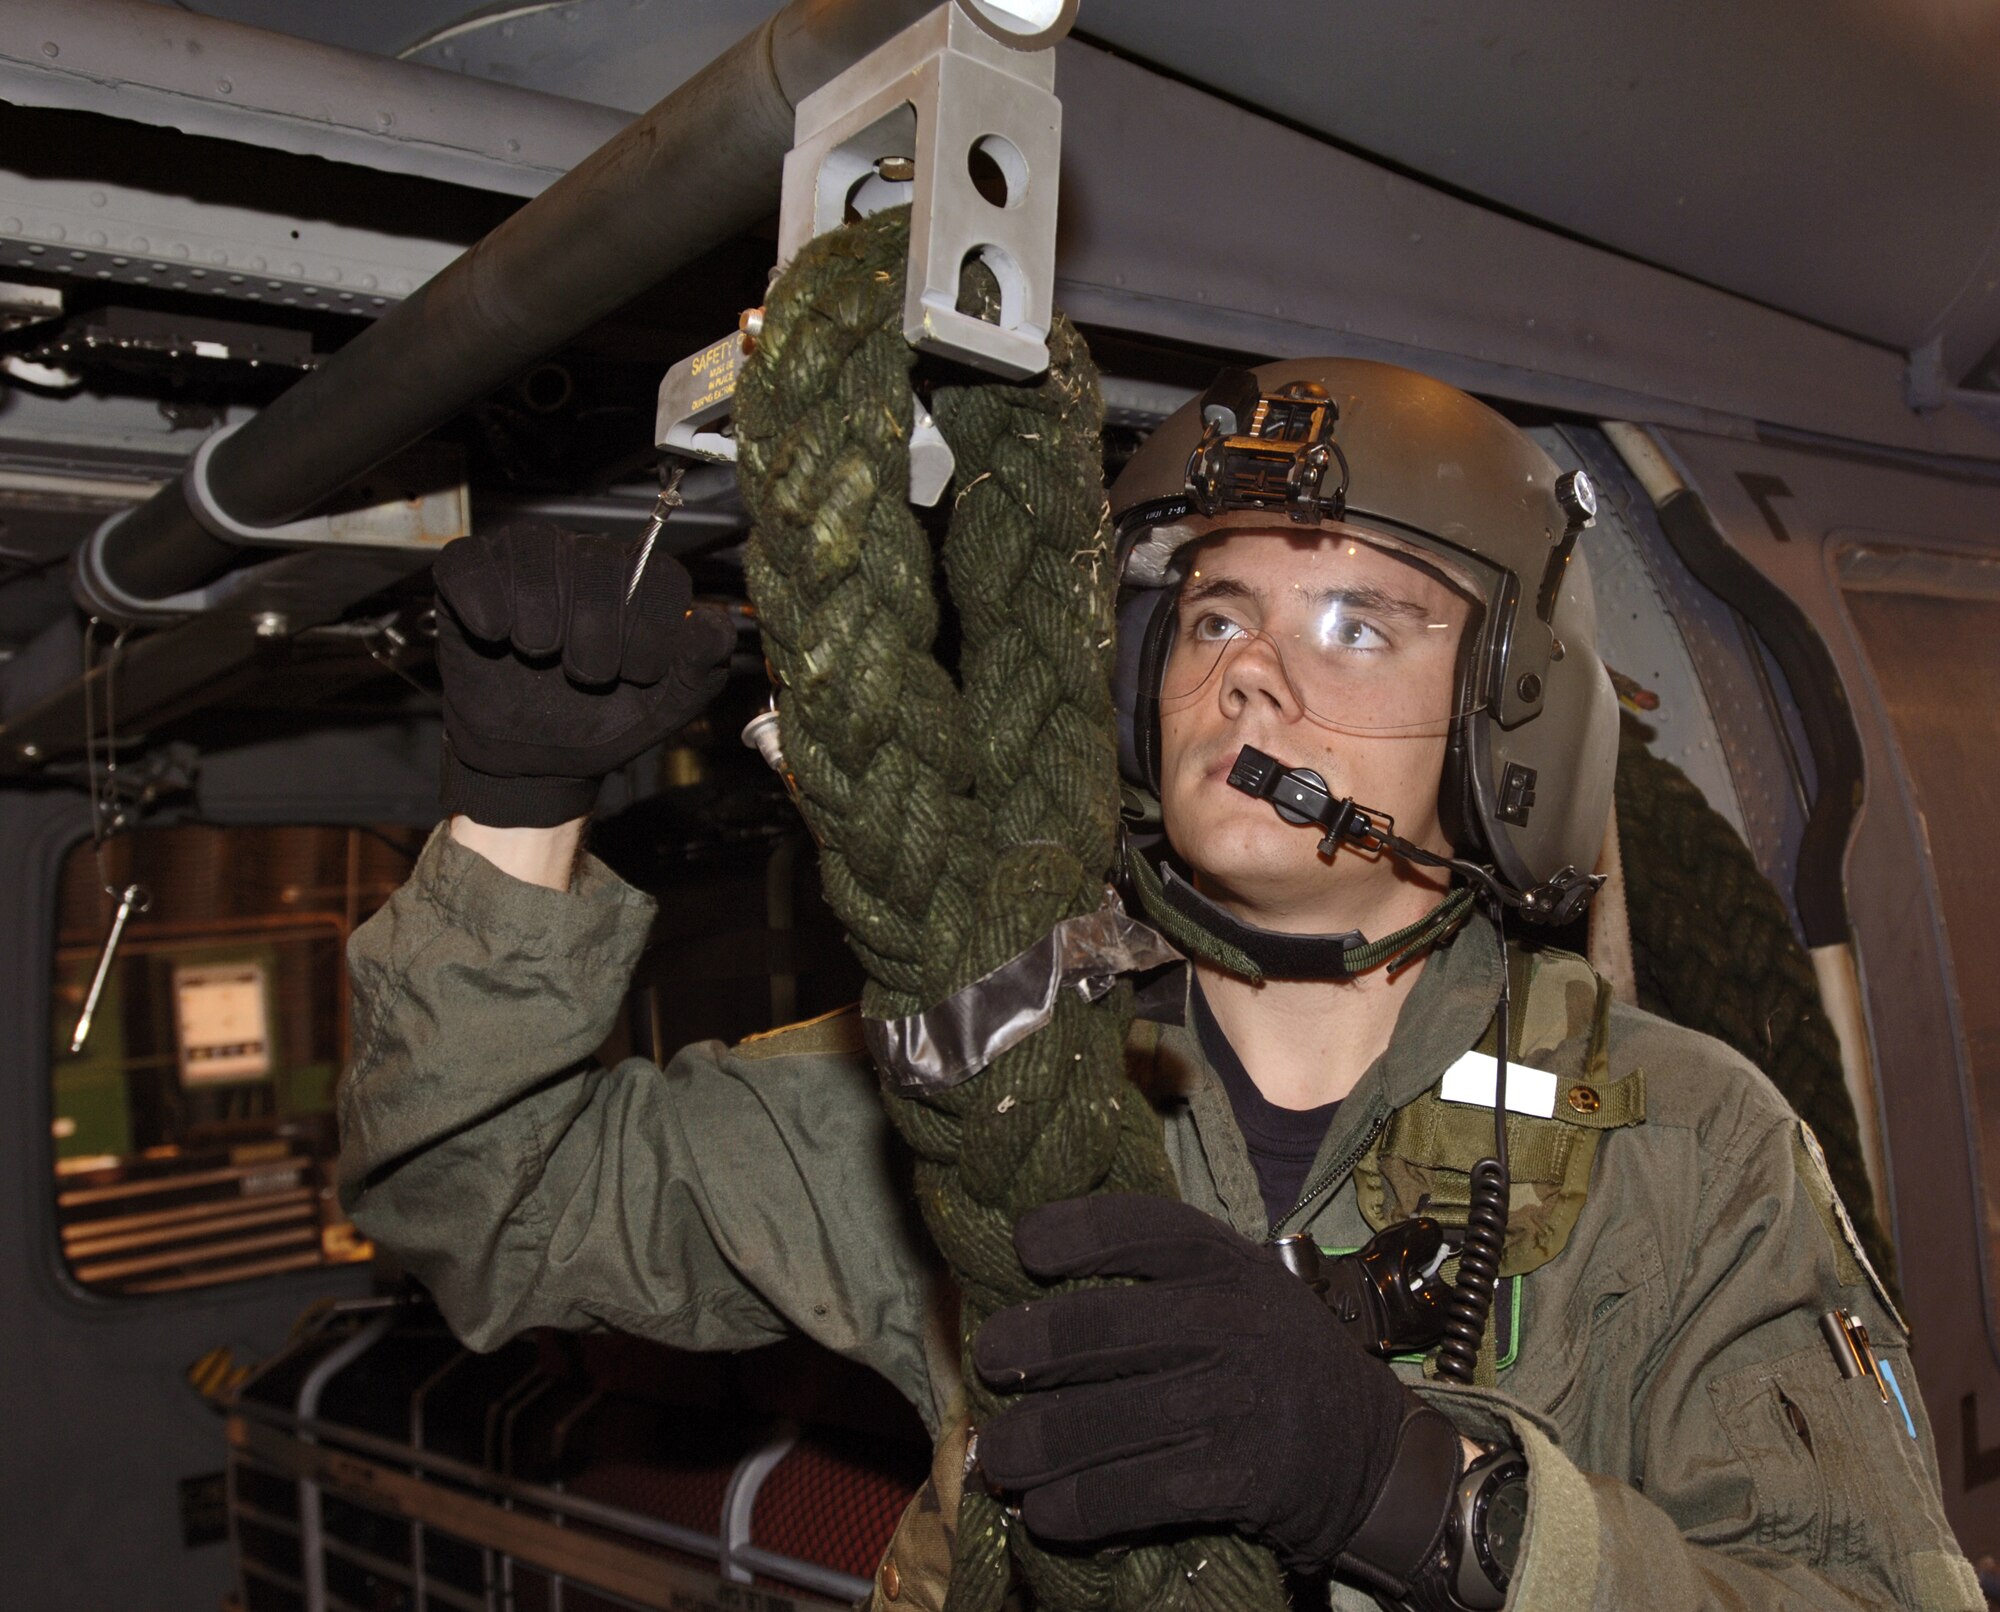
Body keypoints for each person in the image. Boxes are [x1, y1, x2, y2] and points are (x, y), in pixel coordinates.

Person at [337, 358, 1979, 1611]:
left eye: (1359, 621)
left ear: (1509, 721)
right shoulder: (982, 1068)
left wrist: (1418, 1497)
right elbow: (492, 1205)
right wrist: (515, 807)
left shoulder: (1686, 1146)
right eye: (1211, 614)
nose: (1248, 669)